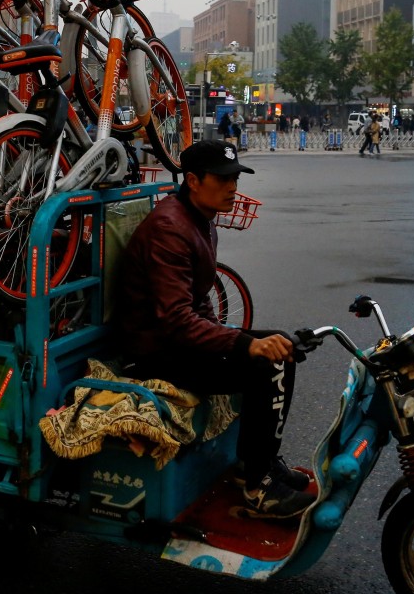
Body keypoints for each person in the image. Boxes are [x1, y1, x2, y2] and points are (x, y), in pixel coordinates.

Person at [115, 140, 314, 519]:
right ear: (192, 180)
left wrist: (238, 340)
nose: (232, 187)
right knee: (262, 364)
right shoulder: (170, 229)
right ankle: (260, 488)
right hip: (154, 352)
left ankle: (259, 461)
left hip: (177, 342)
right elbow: (175, 319)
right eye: (223, 179)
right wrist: (242, 344)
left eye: (235, 178)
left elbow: (200, 299)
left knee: (281, 348)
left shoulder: (200, 219)